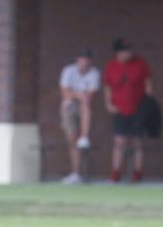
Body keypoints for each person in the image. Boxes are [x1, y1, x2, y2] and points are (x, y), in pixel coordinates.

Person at [102, 38, 152, 183]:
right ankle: (115, 173)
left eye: (129, 50)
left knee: (137, 141)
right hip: (120, 109)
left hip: (138, 108)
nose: (127, 53)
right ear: (117, 53)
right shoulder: (111, 66)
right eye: (124, 51)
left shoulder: (140, 63)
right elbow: (107, 87)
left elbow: (148, 84)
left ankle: (137, 173)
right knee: (119, 141)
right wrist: (108, 103)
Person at [57, 49, 100, 184]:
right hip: (69, 104)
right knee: (72, 139)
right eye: (82, 59)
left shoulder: (94, 73)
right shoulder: (68, 70)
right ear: (77, 60)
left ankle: (85, 136)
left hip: (84, 104)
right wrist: (77, 95)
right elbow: (65, 91)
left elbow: (91, 95)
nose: (84, 62)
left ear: (90, 61)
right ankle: (75, 173)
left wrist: (79, 96)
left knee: (85, 103)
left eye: (87, 59)